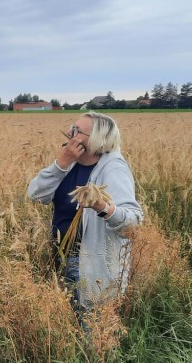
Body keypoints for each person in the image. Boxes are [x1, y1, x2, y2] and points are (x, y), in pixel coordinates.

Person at [26, 111, 143, 317]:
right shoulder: (70, 164)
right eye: (73, 127)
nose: (71, 133)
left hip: (90, 263)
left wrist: (101, 206)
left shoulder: (113, 168)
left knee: (90, 326)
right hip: (60, 256)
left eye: (78, 131)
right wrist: (61, 163)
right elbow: (35, 195)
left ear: (97, 139)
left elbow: (133, 220)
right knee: (66, 328)